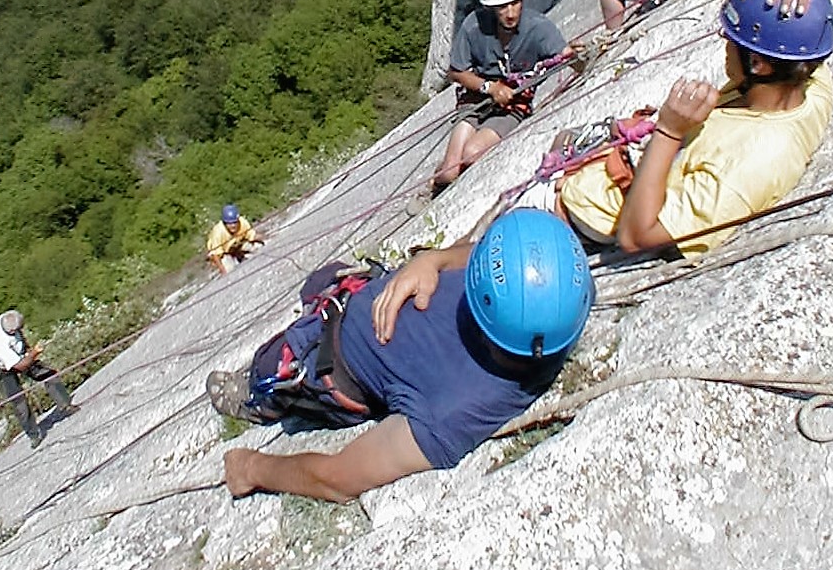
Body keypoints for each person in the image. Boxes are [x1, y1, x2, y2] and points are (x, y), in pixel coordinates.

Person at [208, 209, 594, 502]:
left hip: (325, 367)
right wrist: (435, 260)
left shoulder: (452, 415)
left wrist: (252, 468)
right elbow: (486, 251)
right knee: (322, 278)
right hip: (355, 298)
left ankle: (257, 402)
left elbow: (338, 478)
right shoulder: (554, 300)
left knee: (267, 367)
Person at [517, 0, 833, 260]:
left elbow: (637, 235)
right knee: (565, 137)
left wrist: (669, 130)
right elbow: (793, 29)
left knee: (477, 248)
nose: (724, 43)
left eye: (731, 39)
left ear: (758, 64)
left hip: (577, 214)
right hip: (606, 170)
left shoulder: (752, 164)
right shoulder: (809, 85)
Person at [432, 0, 571, 193]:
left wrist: (582, 54)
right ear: (491, 8)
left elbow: (567, 56)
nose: (510, 13)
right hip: (476, 101)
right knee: (449, 172)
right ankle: (435, 181)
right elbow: (456, 71)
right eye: (502, 7)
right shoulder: (474, 26)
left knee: (472, 153)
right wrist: (489, 87)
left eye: (515, 3)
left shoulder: (538, 28)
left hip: (512, 105)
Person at [0, 310, 79, 448]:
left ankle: (65, 405)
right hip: (4, 369)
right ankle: (34, 435)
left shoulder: (8, 318)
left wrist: (27, 347)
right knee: (19, 402)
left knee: (48, 374)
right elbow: (21, 366)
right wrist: (34, 353)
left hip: (20, 355)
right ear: (10, 330)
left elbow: (20, 335)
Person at [206, 203, 263, 274]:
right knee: (230, 269)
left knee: (258, 247)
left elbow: (252, 235)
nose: (233, 226)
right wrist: (223, 271)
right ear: (224, 223)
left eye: (235, 222)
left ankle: (239, 255)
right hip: (224, 253)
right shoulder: (218, 232)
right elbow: (216, 255)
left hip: (238, 244)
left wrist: (264, 238)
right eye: (229, 223)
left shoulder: (242, 222)